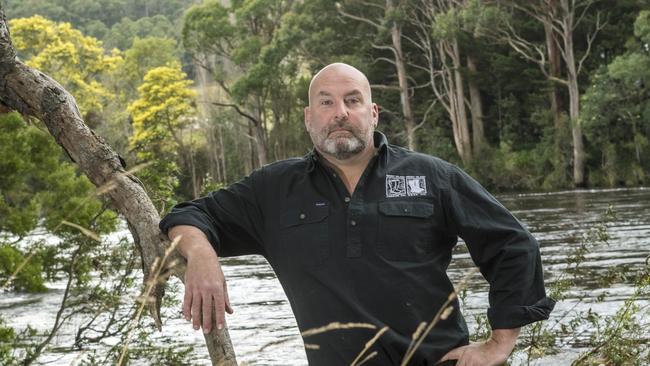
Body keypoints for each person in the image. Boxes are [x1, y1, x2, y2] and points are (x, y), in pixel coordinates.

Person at [159, 63, 555, 365]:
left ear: (374, 112)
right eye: (326, 102)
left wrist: (499, 343)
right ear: (308, 116)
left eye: (352, 100)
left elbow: (512, 244)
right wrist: (202, 254)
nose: (340, 113)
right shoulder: (273, 191)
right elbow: (189, 214)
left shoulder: (430, 176)